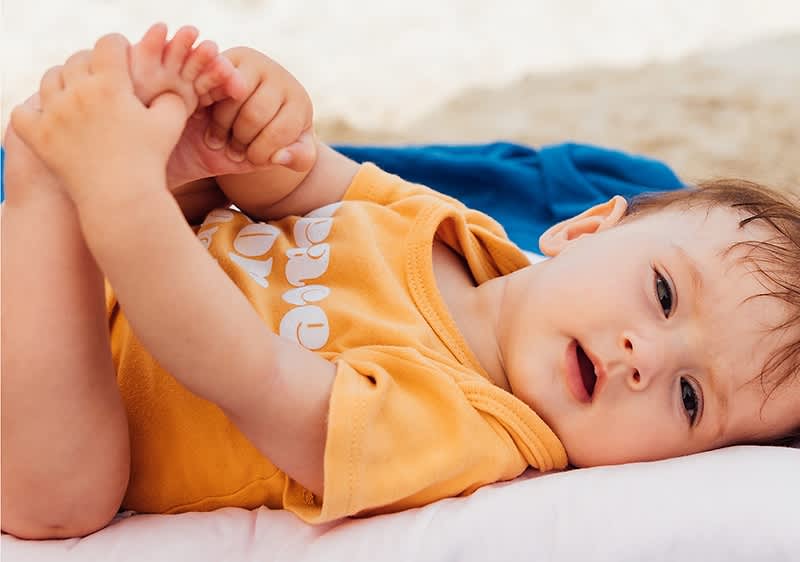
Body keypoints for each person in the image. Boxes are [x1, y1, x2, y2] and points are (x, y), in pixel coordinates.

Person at [2, 24, 798, 540]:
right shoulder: (454, 233)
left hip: (66, 396)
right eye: (663, 294)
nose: (642, 357)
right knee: (201, 168)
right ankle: (86, 177)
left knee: (66, 496)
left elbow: (250, 373)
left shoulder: (474, 428)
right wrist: (252, 115)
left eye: (690, 398)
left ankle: (47, 186)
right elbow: (296, 178)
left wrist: (124, 201)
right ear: (586, 227)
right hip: (88, 282)